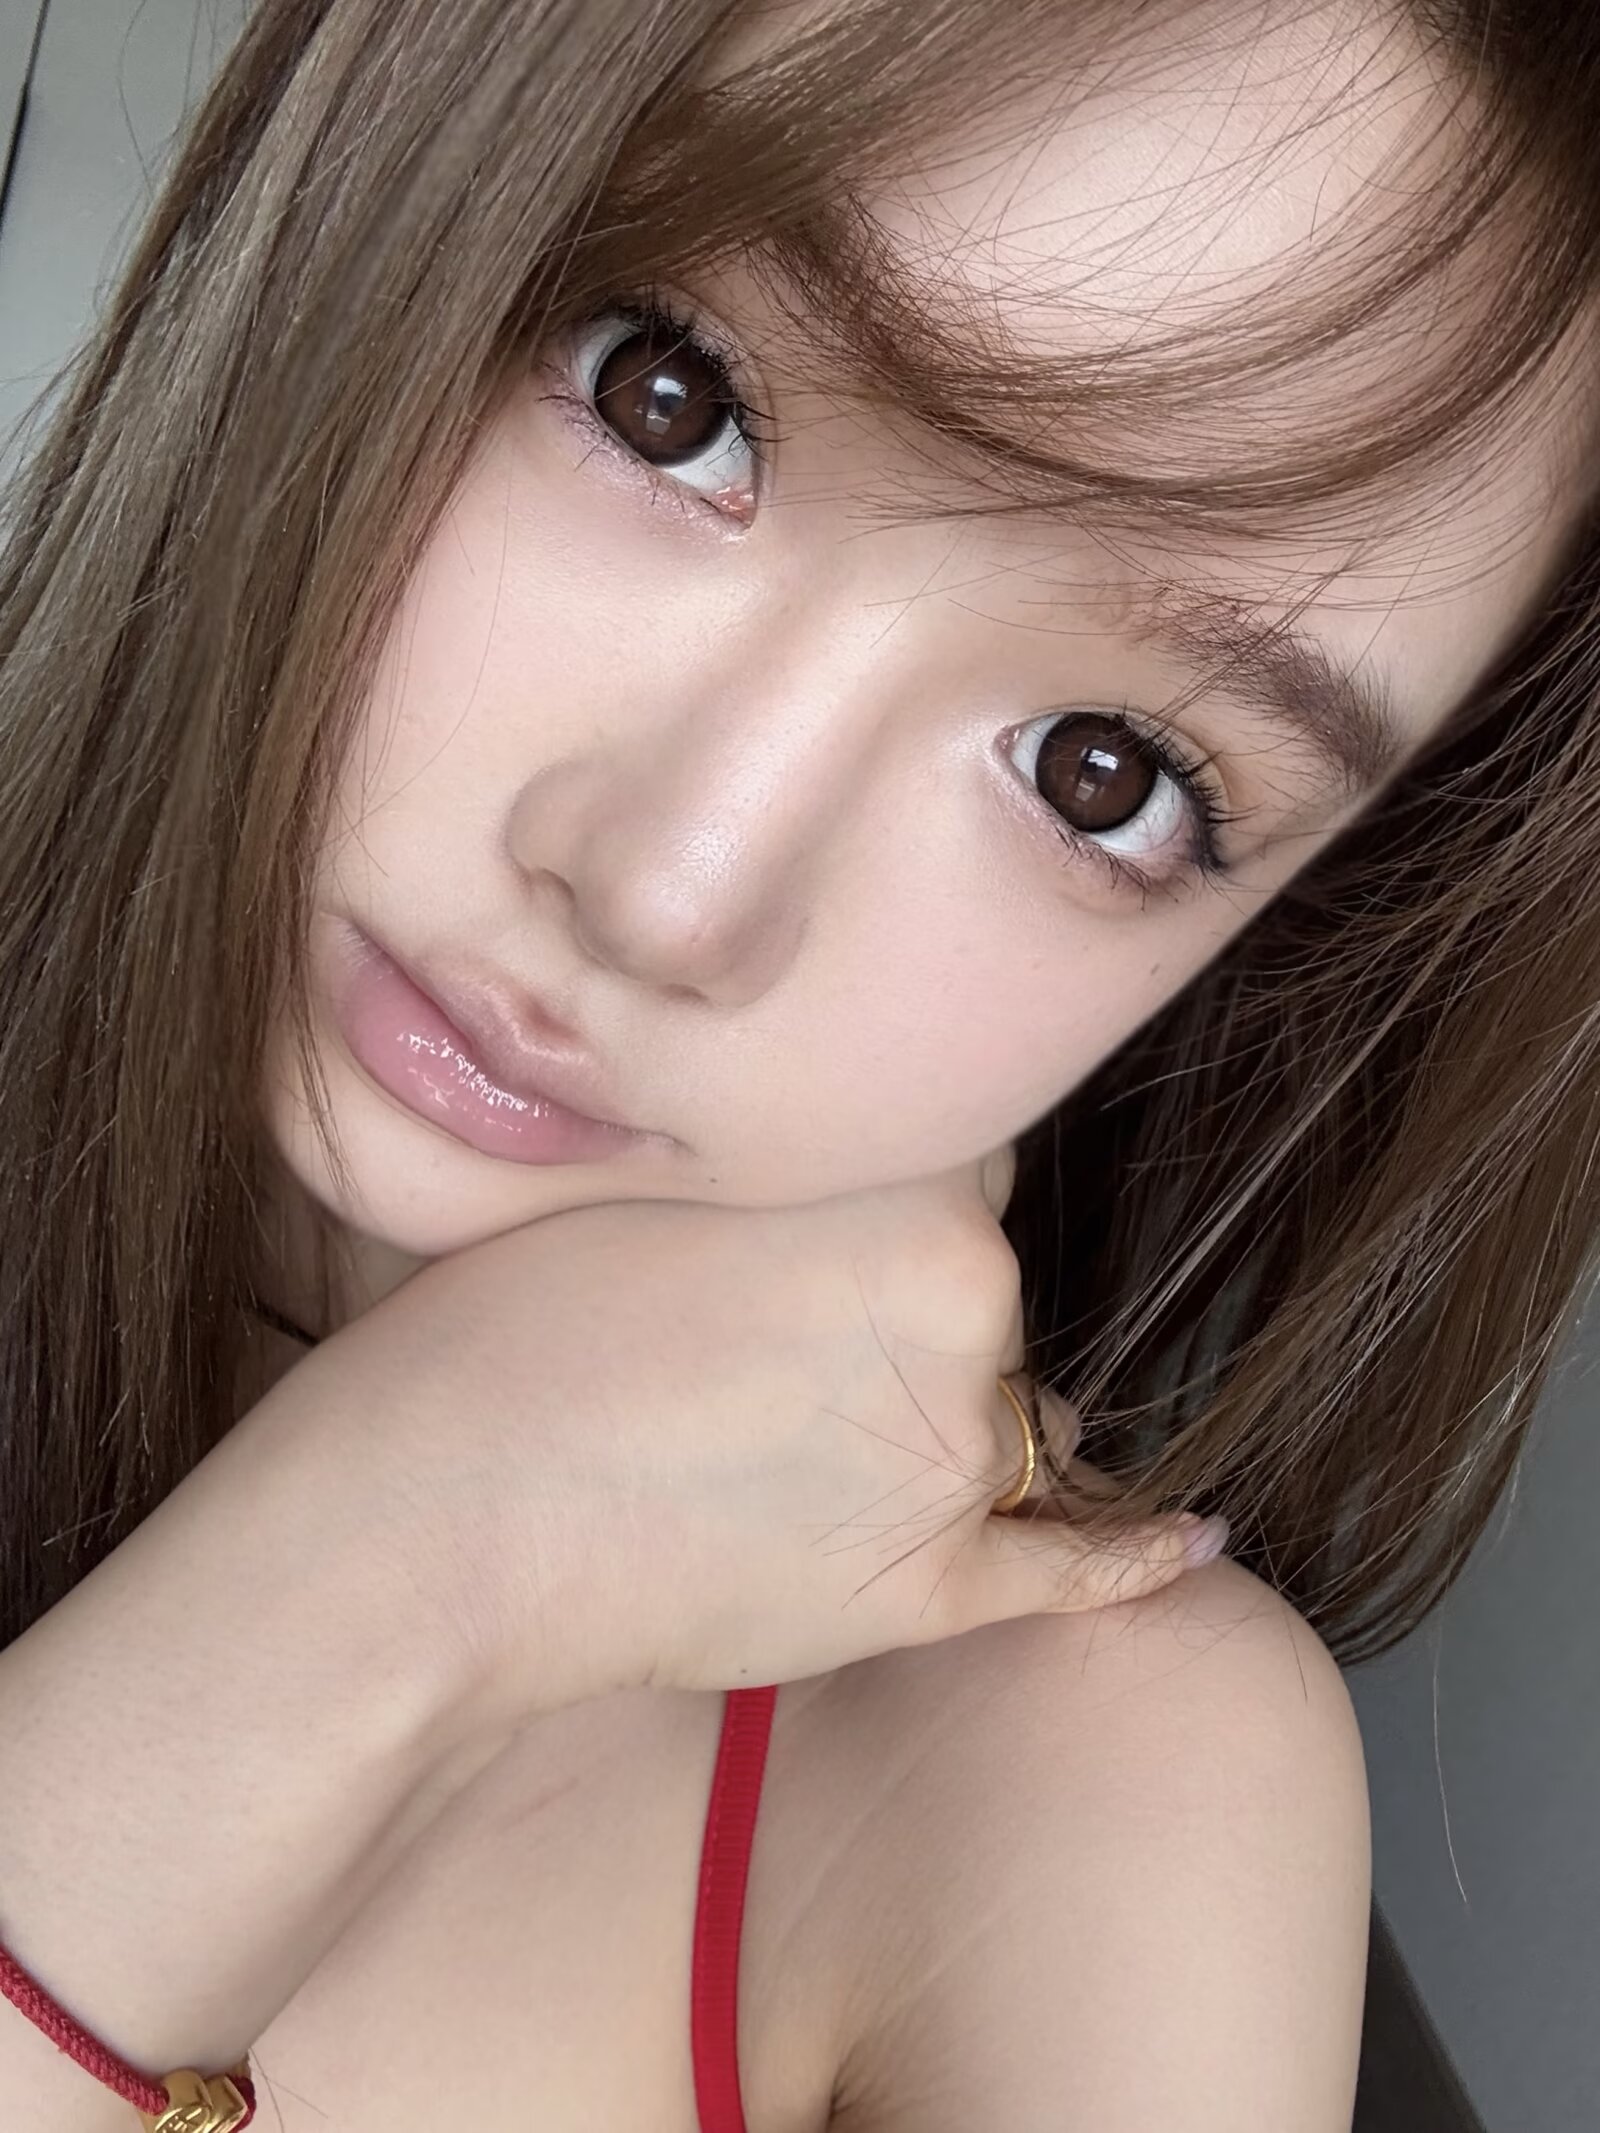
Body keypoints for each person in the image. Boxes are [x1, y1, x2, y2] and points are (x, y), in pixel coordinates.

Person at [0, 0, 1595, 2124]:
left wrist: (434, 1568)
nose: (672, 889)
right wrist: (365, 1581)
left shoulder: (1058, 1795)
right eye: (666, 396)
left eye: (1104, 774)